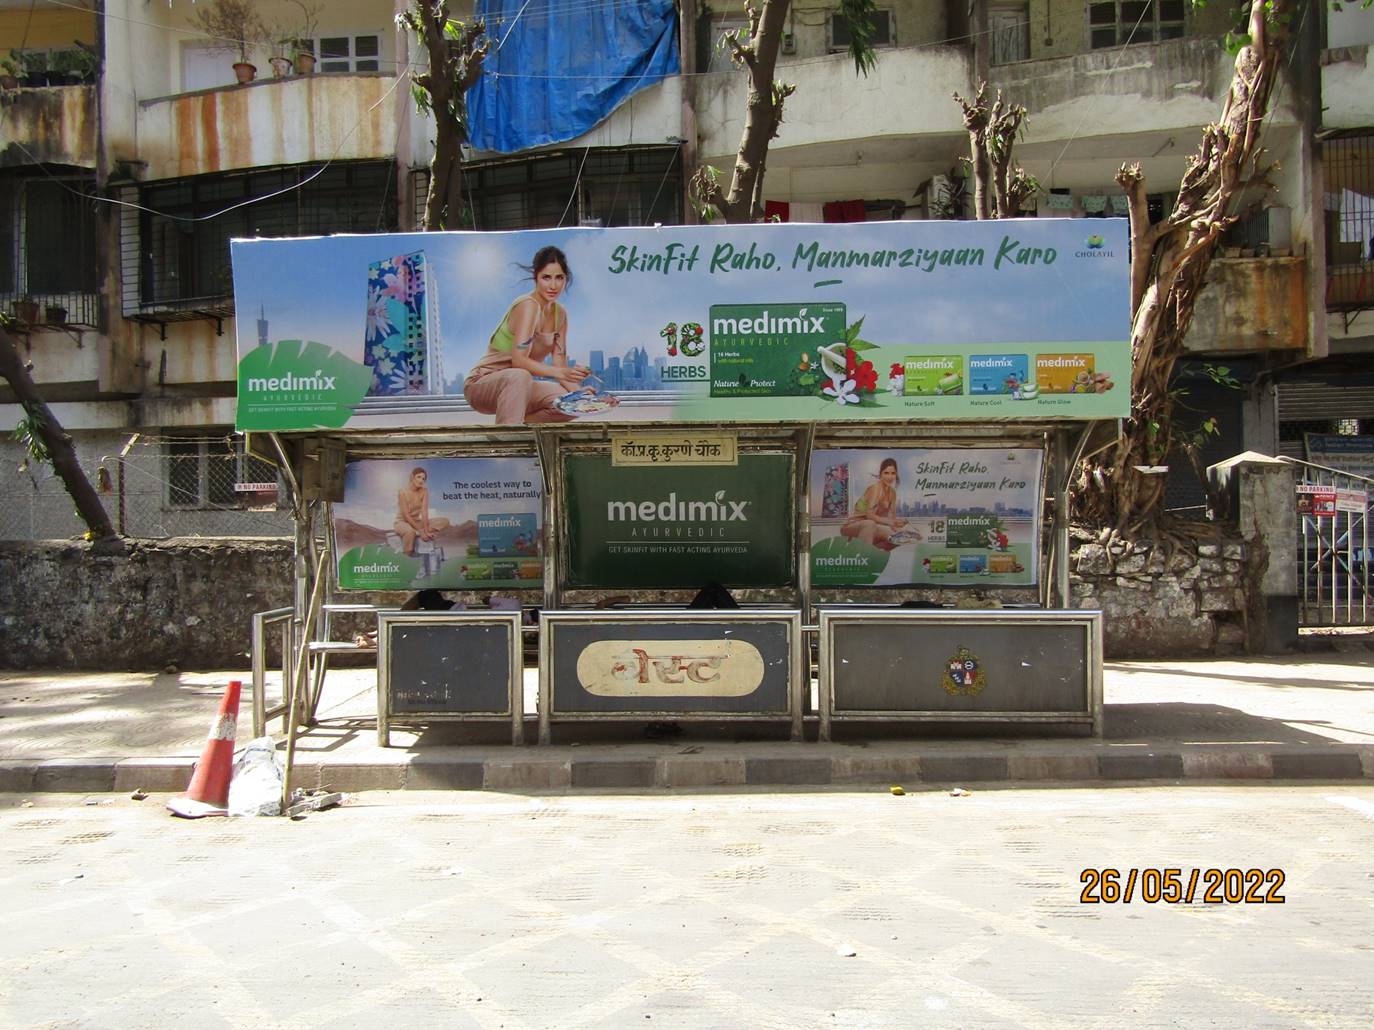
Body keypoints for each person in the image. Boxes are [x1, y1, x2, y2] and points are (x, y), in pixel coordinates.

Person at [464, 246, 617, 425]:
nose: (553, 286)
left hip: (521, 388)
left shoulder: (560, 314)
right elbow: (519, 362)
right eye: (546, 277)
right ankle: (507, 444)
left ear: (565, 279)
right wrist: (562, 371)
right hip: (482, 385)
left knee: (569, 403)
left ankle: (519, 427)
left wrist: (582, 395)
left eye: (559, 278)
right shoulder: (528, 306)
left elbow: (560, 365)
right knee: (520, 375)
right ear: (535, 277)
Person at [840, 457, 908, 551]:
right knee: (869, 524)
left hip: (874, 527)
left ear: (896, 475)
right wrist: (890, 522)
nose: (889, 477)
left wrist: (898, 524)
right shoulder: (875, 488)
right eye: (886, 473)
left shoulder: (892, 492)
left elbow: (892, 518)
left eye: (893, 473)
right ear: (880, 474)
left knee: (901, 537)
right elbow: (869, 515)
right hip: (854, 527)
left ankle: (873, 550)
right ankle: (862, 555)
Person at [394, 467, 450, 557]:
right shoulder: (402, 492)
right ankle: (406, 557)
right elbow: (406, 515)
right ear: (412, 477)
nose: (421, 480)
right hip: (402, 522)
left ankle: (422, 532)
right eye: (418, 477)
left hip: (416, 522)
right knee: (410, 532)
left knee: (444, 521)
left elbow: (424, 512)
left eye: (423, 479)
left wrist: (426, 530)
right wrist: (420, 531)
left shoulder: (424, 491)